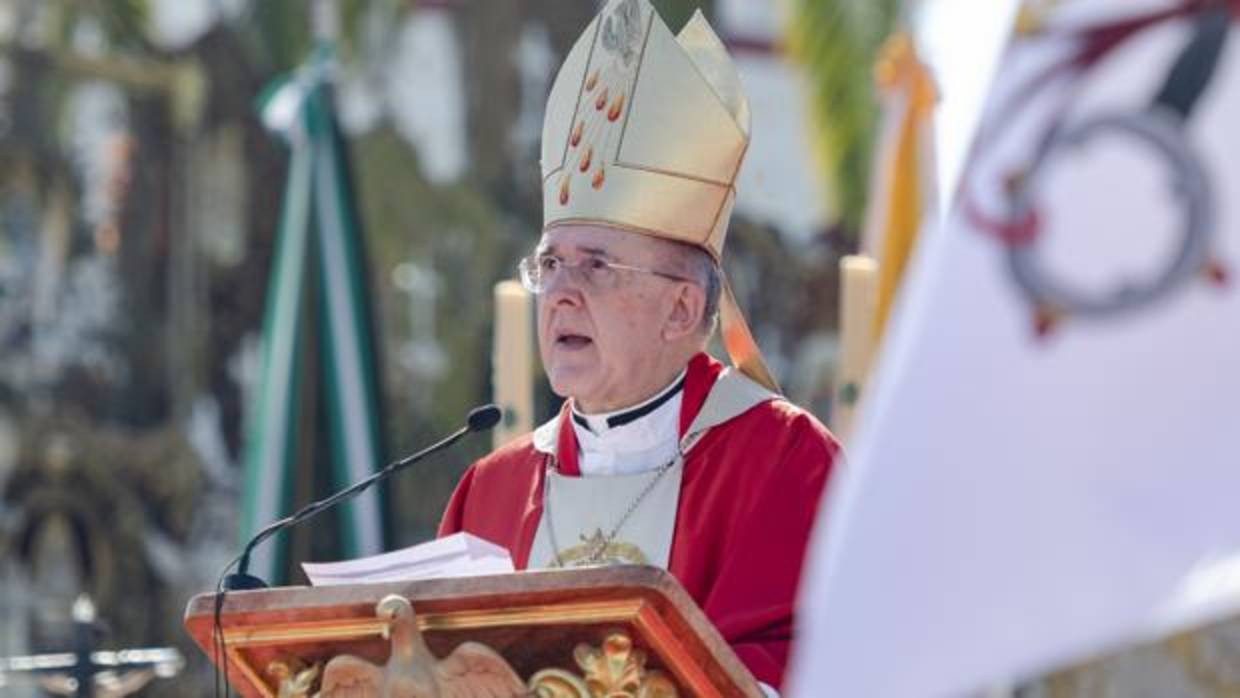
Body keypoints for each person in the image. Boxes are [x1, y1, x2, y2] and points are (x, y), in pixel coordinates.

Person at [438, 0, 841, 692]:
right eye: (551, 264)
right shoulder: (492, 491)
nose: (562, 292)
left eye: (596, 265)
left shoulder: (781, 463)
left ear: (682, 307)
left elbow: (825, 668)